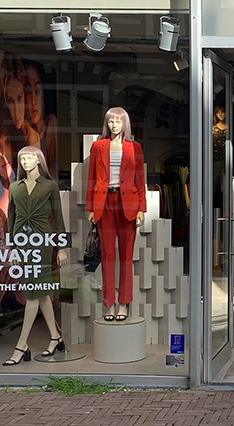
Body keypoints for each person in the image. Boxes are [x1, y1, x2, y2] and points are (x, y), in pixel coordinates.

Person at [3, 146, 69, 365]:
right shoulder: (15, 187)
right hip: (22, 242)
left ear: (38, 160)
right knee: (40, 292)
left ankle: (21, 345)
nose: (25, 161)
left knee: (33, 292)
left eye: (29, 157)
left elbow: (58, 218)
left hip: (42, 242)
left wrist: (62, 247)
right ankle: (56, 337)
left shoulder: (50, 186)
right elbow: (11, 220)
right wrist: (12, 247)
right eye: (22, 158)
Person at [86, 107, 146, 322]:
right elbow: (92, 177)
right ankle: (109, 303)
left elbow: (140, 179)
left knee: (126, 257)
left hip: (128, 203)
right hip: (104, 203)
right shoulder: (98, 146)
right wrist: (91, 207)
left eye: (118, 121)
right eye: (110, 121)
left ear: (125, 123)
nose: (114, 125)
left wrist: (141, 209)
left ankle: (124, 302)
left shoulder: (134, 147)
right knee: (108, 256)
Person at [24, 61, 58, 180]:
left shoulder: (50, 123)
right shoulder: (25, 130)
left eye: (37, 91)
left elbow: (53, 168)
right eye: (28, 92)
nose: (33, 101)